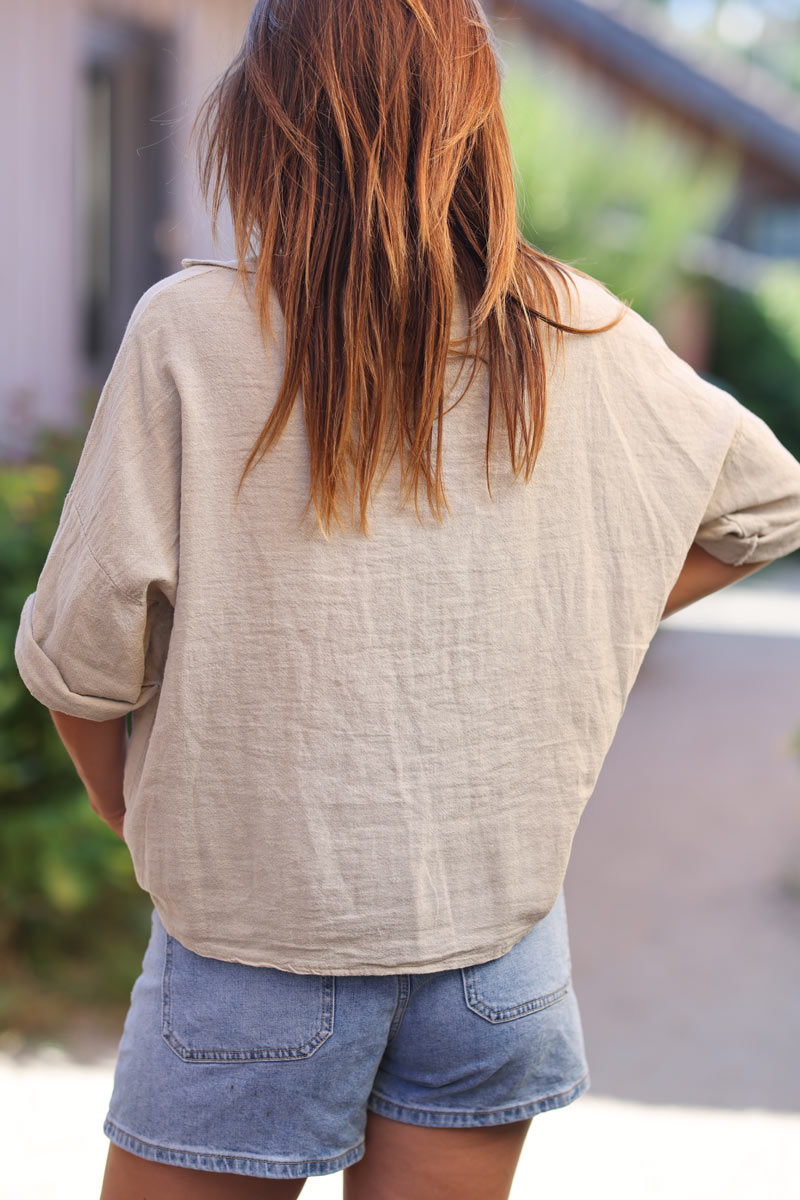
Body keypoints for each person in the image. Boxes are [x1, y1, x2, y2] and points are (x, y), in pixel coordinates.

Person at [14, 2, 800, 1198]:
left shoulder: (192, 330)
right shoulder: (571, 323)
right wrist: (571, 609)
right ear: (475, 122)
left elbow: (80, 657)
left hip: (254, 946)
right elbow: (767, 505)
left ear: (266, 123)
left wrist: (125, 809)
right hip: (500, 951)